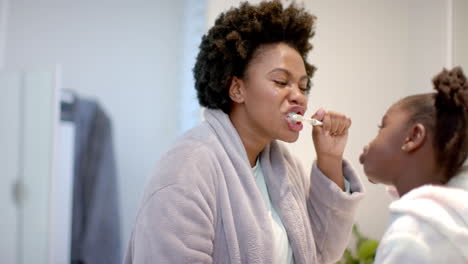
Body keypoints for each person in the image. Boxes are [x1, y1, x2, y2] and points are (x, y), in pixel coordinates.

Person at [125, 1, 364, 263]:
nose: (299, 97)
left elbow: (319, 253)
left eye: (303, 86)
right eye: (281, 82)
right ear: (237, 89)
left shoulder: (283, 167)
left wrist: (329, 159)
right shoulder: (187, 167)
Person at [359, 66, 468, 263]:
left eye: (382, 126)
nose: (371, 142)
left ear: (414, 137)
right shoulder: (452, 222)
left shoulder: (414, 235)